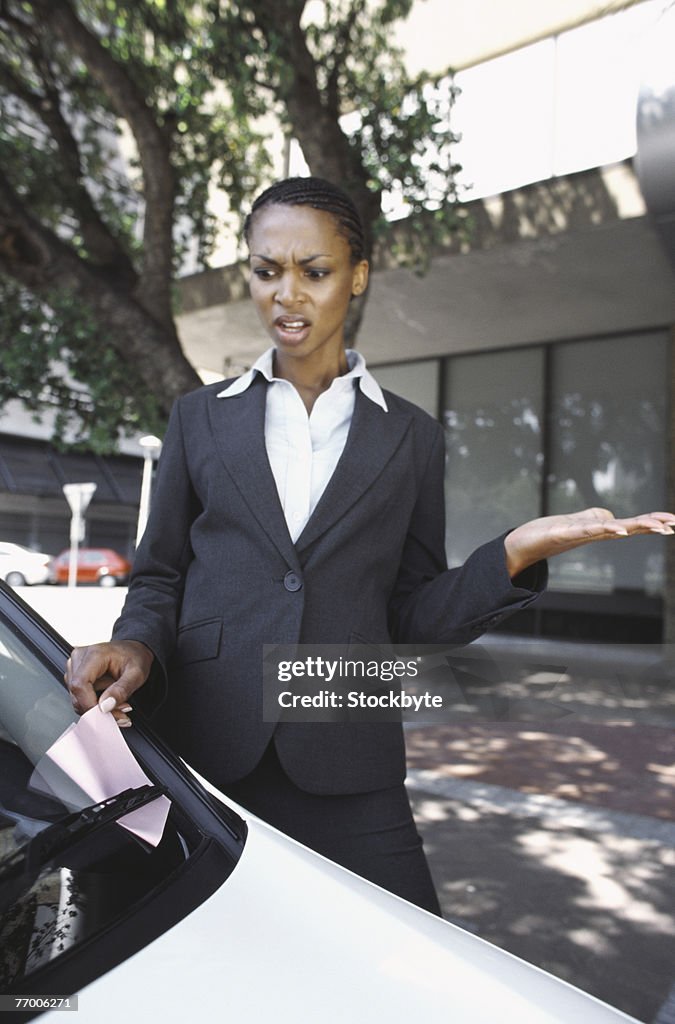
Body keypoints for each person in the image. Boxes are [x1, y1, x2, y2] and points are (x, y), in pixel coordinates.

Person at [66, 176, 675, 916]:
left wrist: (512, 553)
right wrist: (137, 646)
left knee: (415, 966)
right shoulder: (199, 418)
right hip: (203, 744)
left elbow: (412, 615)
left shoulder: (412, 436)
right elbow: (160, 574)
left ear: (355, 277)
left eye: (313, 271)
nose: (286, 294)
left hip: (346, 752)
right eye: (266, 271)